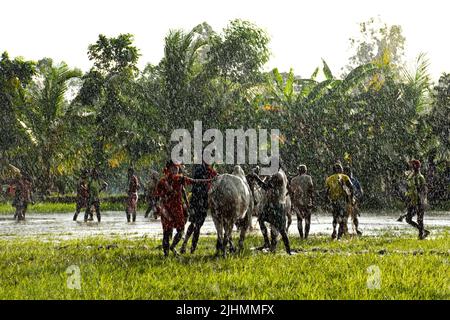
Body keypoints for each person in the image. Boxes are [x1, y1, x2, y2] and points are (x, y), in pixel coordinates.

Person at [154, 160, 210, 257]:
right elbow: (157, 197)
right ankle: (166, 253)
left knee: (179, 230)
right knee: (167, 232)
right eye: (173, 168)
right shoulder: (168, 181)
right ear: (168, 169)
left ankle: (171, 248)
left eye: (177, 168)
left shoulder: (177, 179)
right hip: (168, 209)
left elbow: (191, 183)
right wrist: (208, 181)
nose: (176, 169)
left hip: (176, 208)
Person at [251, 163, 292, 255]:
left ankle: (270, 244)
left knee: (280, 229)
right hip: (278, 205)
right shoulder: (282, 174)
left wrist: (256, 177)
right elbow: (289, 189)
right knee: (264, 221)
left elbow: (265, 187)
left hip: (276, 206)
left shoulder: (276, 176)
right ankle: (282, 249)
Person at [180, 161, 217, 254]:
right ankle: (186, 244)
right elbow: (197, 184)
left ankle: (192, 247)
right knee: (193, 224)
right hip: (196, 200)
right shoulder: (199, 170)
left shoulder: (212, 172)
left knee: (198, 225)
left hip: (204, 201)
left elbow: (215, 182)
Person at [402, 159, 430, 240]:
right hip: (412, 201)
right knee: (408, 219)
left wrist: (421, 201)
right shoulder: (411, 176)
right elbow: (408, 185)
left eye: (412, 165)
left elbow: (424, 190)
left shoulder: (420, 177)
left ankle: (421, 235)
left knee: (419, 219)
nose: (410, 167)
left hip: (419, 201)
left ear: (415, 167)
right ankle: (424, 231)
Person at [325, 163, 354, 240]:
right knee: (343, 219)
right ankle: (339, 237)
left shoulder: (329, 179)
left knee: (335, 217)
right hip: (342, 201)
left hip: (333, 202)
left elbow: (326, 192)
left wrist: (327, 202)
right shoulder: (345, 177)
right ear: (340, 169)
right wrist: (351, 198)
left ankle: (334, 230)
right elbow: (351, 187)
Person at [289, 164, 314, 239]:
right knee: (307, 220)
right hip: (307, 202)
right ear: (305, 171)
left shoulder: (293, 179)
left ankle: (301, 236)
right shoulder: (308, 178)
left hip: (298, 203)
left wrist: (292, 202)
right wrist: (312, 200)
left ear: (298, 171)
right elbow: (311, 189)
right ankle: (306, 237)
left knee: (299, 220)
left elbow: (291, 191)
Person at [343, 166, 363, 236]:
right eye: (346, 171)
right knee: (345, 217)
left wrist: (356, 198)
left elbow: (360, 191)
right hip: (345, 201)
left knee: (354, 217)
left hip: (354, 201)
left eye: (349, 171)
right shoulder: (342, 180)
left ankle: (356, 229)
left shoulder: (355, 181)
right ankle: (345, 230)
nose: (348, 173)